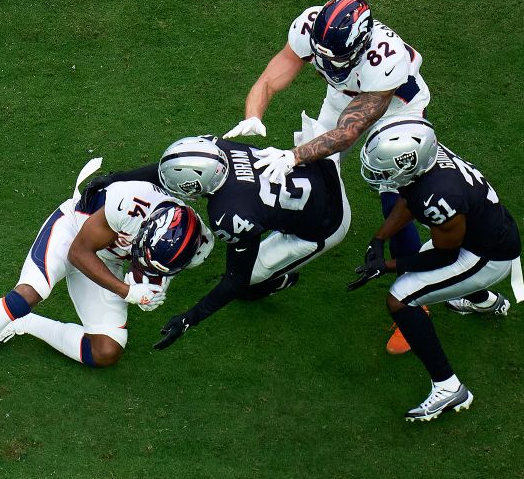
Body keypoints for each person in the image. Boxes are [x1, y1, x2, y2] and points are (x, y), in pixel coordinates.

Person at [223, 0, 432, 353]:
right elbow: (271, 78)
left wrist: (293, 155)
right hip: (343, 99)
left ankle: (417, 299)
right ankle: (286, 231)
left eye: (336, 56)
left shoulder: (386, 57)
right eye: (322, 55)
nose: (326, 62)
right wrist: (253, 115)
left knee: (395, 199)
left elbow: (349, 132)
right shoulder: (310, 26)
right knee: (308, 176)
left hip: (397, 110)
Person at [90, 117, 352, 349]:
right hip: (322, 170)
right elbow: (168, 170)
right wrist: (117, 178)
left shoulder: (229, 214)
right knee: (261, 223)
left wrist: (189, 318)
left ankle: (278, 280)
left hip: (326, 222)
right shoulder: (220, 148)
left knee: (248, 282)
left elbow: (235, 278)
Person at [0, 160, 211, 368]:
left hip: (110, 259)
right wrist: (127, 291)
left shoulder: (197, 246)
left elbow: (157, 266)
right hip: (74, 233)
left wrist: (151, 289)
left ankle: (23, 325)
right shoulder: (128, 201)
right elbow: (78, 253)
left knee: (106, 350)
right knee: (26, 295)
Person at [347, 117, 524, 421]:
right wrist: (379, 238)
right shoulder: (430, 163)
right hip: (485, 231)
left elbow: (444, 257)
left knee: (400, 298)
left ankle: (448, 387)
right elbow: (410, 199)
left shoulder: (439, 197)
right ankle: (485, 302)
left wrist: (387, 267)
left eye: (386, 169)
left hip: (487, 255)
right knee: (429, 276)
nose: (380, 175)